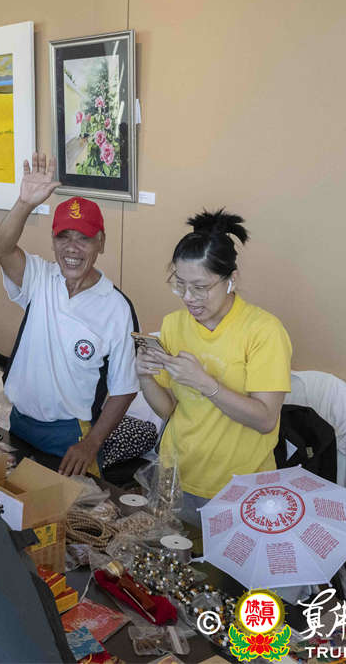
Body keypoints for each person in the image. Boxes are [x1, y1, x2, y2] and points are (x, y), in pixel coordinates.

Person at [0, 153, 140, 477]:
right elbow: (1, 248)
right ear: (53, 241)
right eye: (64, 237)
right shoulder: (40, 278)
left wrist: (92, 443)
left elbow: (124, 387)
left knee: (69, 509)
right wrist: (24, 203)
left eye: (83, 238)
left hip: (72, 436)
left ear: (101, 242)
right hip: (19, 422)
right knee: (18, 502)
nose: (72, 248)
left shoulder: (116, 308)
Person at [135, 210, 291, 516]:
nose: (189, 298)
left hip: (239, 488)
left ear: (231, 280)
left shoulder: (263, 331)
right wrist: (145, 377)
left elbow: (265, 420)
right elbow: (169, 410)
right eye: (180, 285)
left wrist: (204, 383)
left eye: (201, 287)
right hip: (175, 475)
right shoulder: (174, 324)